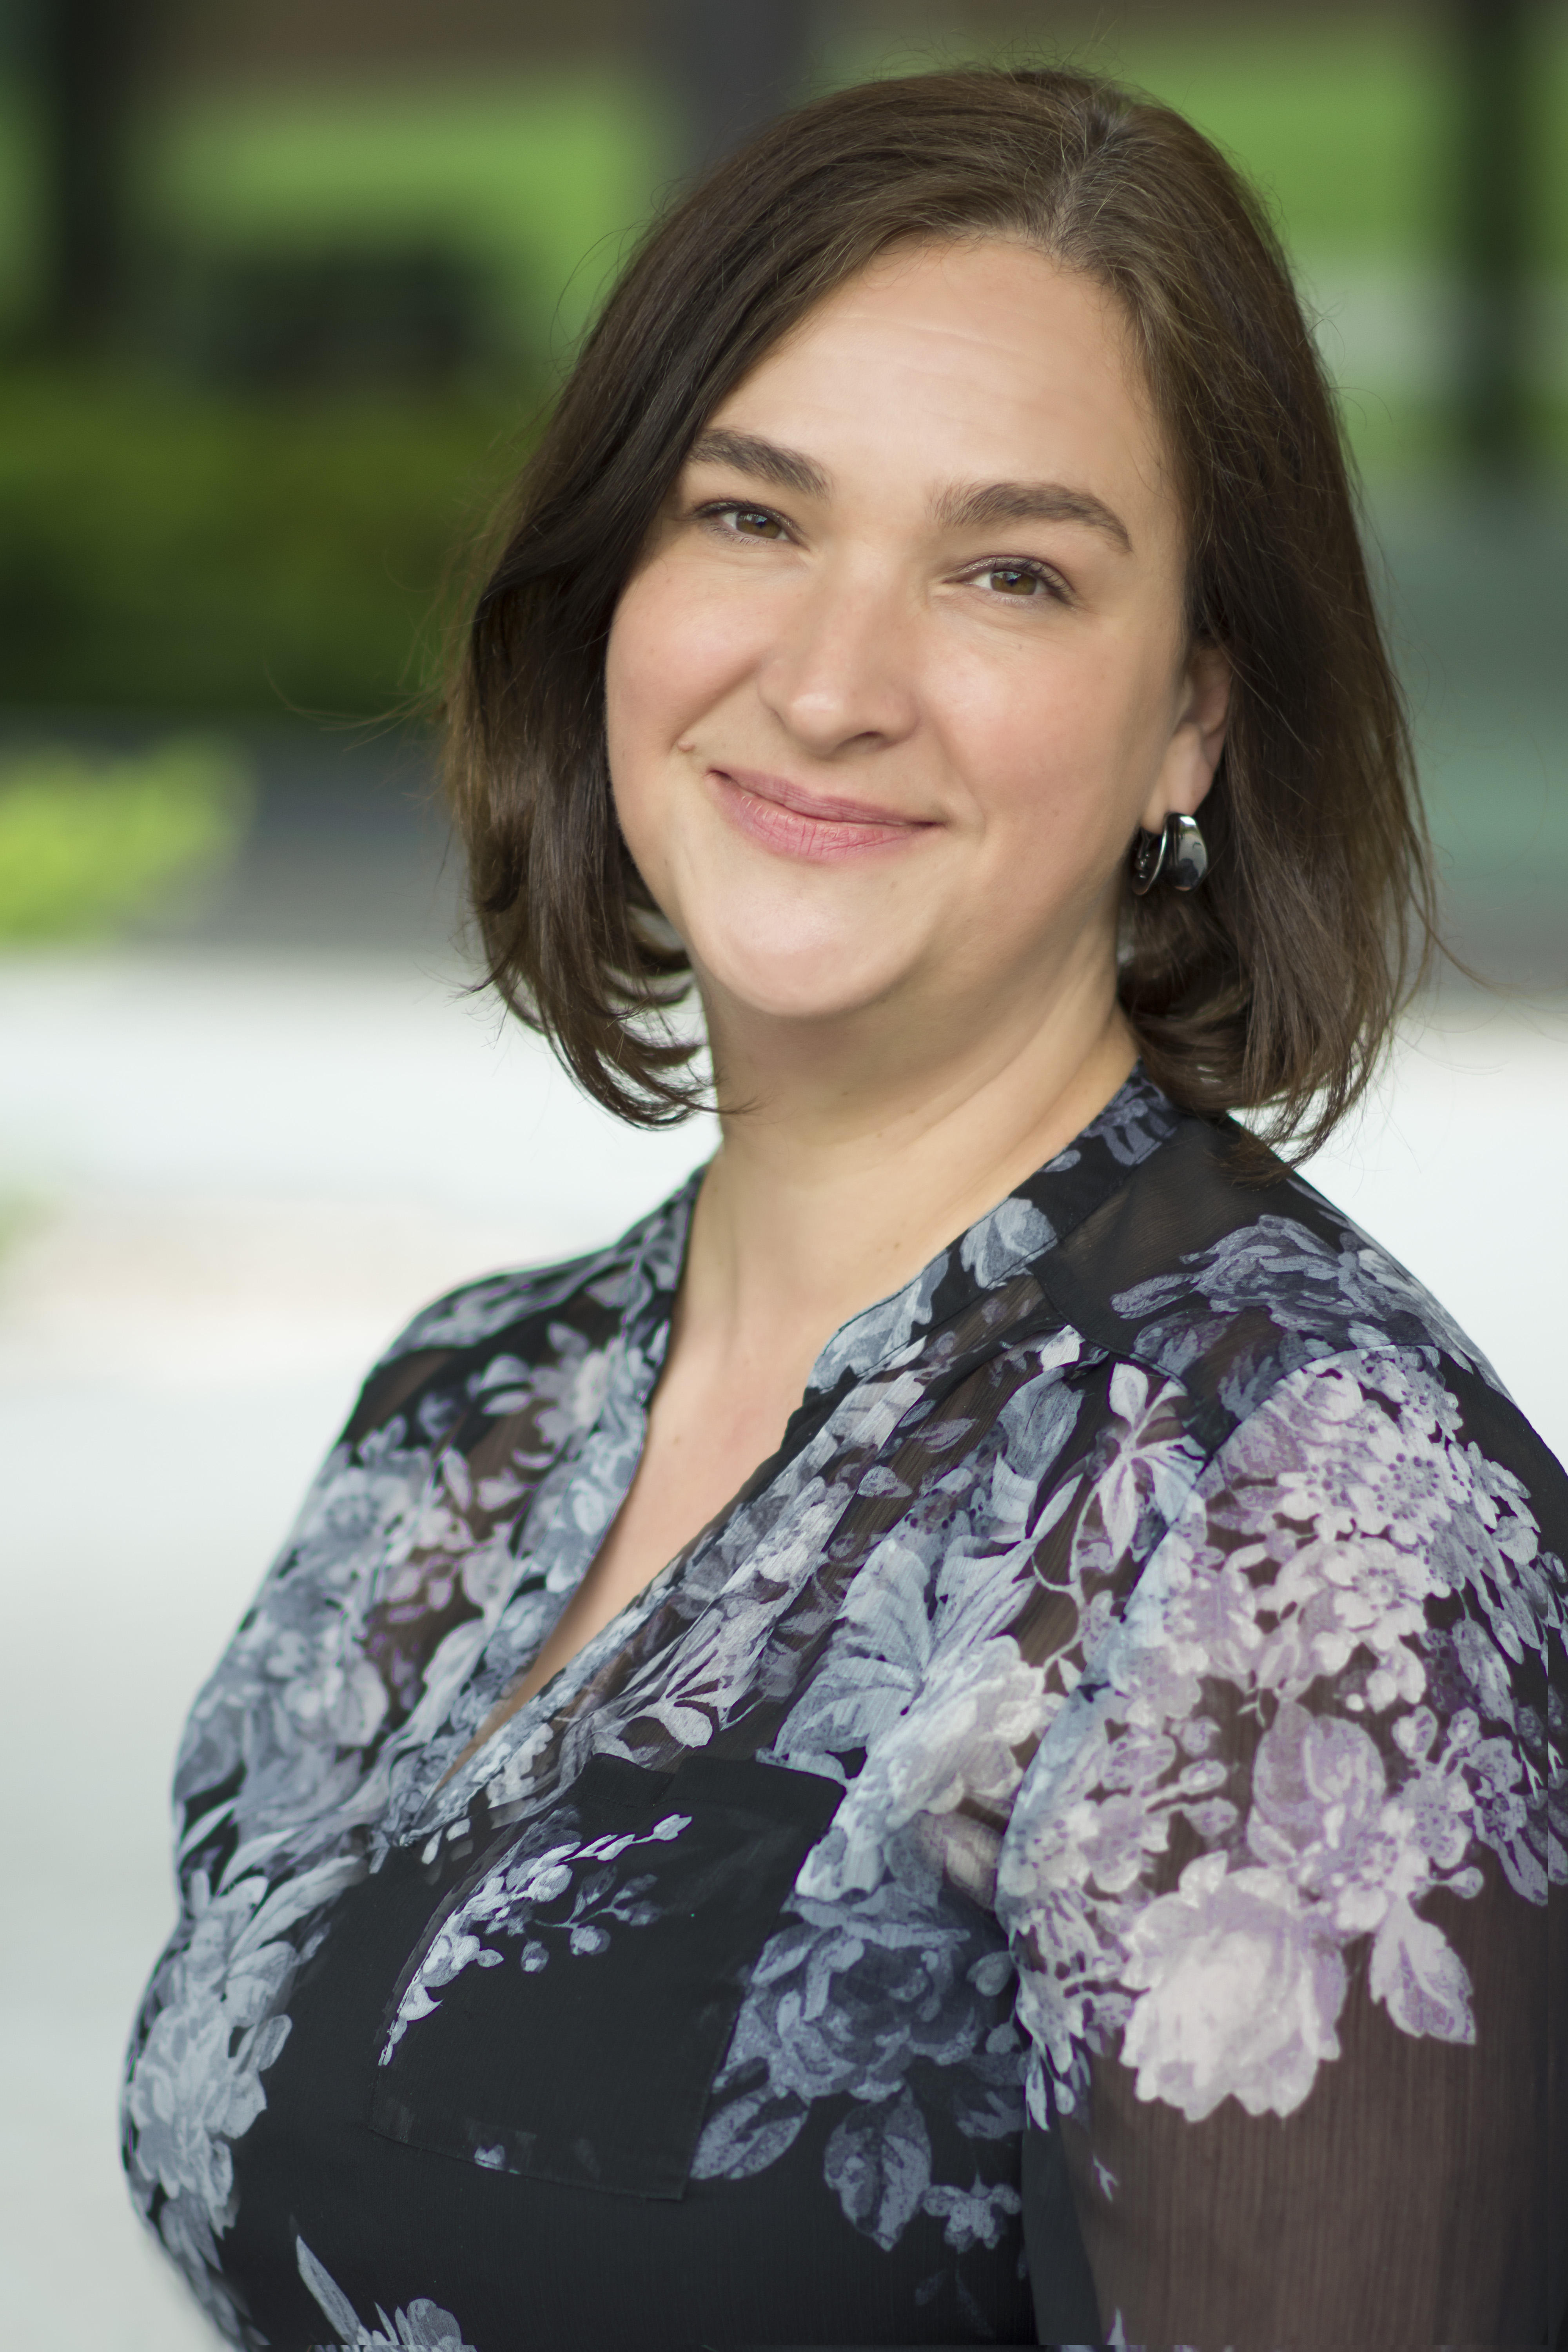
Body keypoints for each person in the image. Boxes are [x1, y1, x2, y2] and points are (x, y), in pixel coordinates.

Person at [122, 66, 1565, 2351]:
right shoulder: (468, 1416)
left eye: (1010, 572)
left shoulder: (1306, 1525)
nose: (829, 682)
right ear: (614, 578)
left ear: (1196, 713)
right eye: (751, 518)